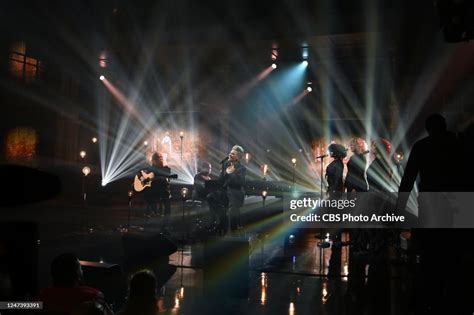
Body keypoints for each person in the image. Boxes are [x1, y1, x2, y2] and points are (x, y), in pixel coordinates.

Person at [36, 253, 107, 313]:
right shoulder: (93, 295)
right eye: (80, 268)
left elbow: (27, 306)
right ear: (78, 273)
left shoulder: (42, 297)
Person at [219, 145, 247, 234]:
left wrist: (231, 173)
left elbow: (240, 183)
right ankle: (218, 227)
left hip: (235, 194)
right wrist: (225, 172)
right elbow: (221, 180)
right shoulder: (225, 164)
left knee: (232, 212)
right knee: (211, 197)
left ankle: (232, 232)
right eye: (230, 153)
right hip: (225, 192)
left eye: (232, 154)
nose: (230, 155)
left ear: (238, 157)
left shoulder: (242, 168)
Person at [141, 152, 172, 230]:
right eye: (159, 157)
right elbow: (145, 179)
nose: (161, 158)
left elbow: (168, 178)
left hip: (163, 190)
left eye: (161, 157)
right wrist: (154, 179)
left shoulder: (166, 168)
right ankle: (154, 214)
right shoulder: (150, 168)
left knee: (167, 204)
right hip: (153, 190)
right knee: (150, 196)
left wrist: (163, 179)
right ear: (154, 159)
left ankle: (165, 224)